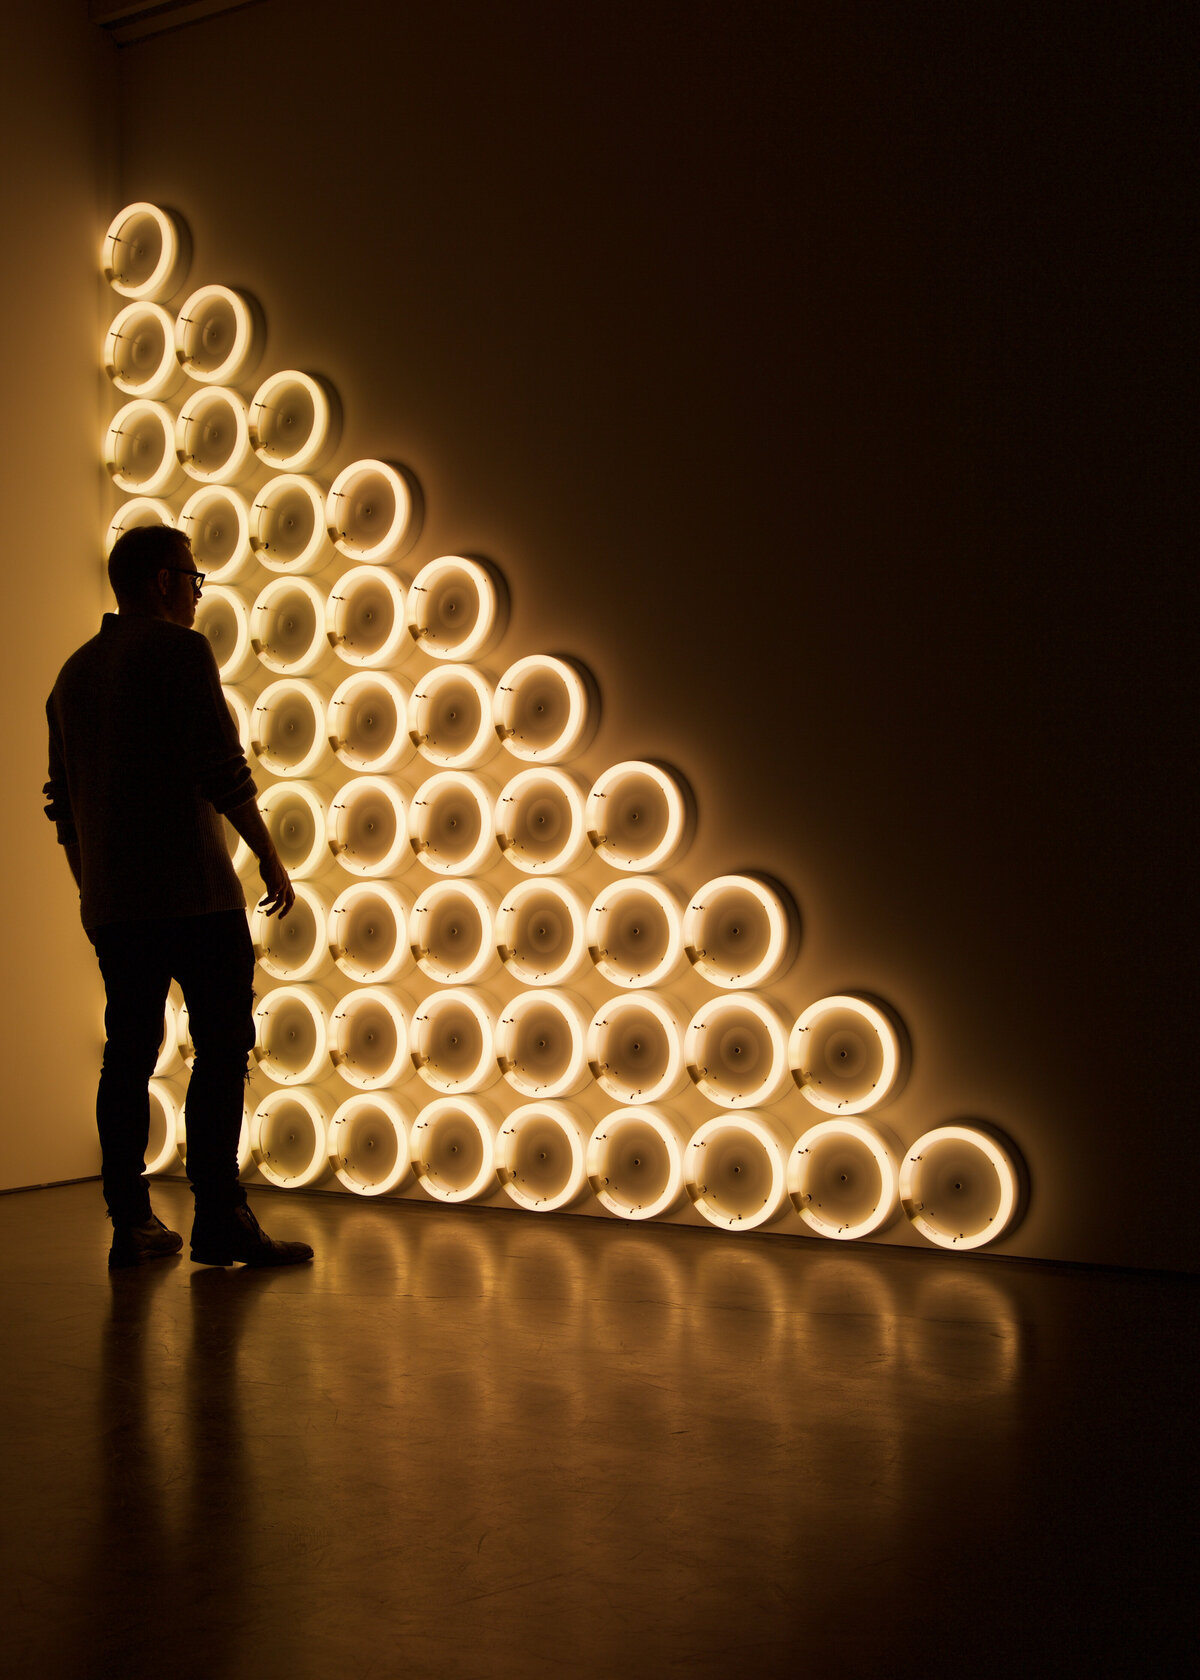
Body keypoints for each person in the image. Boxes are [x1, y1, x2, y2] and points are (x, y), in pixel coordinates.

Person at [44, 521, 314, 1269]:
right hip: (194, 894)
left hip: (113, 904)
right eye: (193, 581)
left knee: (127, 1056)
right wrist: (268, 854)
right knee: (223, 1048)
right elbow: (221, 766)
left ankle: (129, 1221)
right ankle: (220, 1216)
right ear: (164, 581)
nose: (197, 595)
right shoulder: (180, 652)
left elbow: (62, 804)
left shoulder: (72, 676)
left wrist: (90, 887)